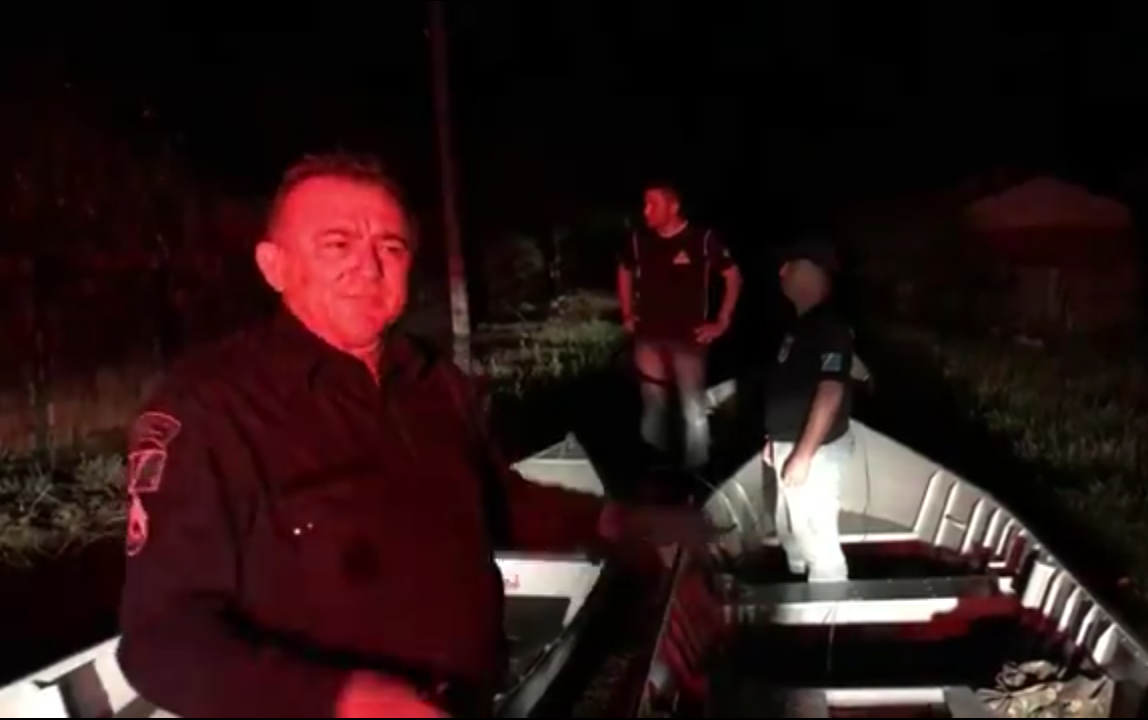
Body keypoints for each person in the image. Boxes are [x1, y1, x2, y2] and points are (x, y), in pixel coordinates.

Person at [116, 153, 711, 718]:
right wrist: (346, 701)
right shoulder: (211, 409)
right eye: (338, 245)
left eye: (390, 247)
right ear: (274, 266)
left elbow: (493, 502)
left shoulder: (433, 380)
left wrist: (614, 522)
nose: (368, 266)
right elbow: (162, 641)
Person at [616, 182, 742, 469]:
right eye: (645, 204)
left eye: (653, 204)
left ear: (673, 206)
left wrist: (721, 321)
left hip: (689, 339)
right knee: (653, 406)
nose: (646, 211)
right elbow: (624, 270)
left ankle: (698, 472)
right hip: (649, 337)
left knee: (692, 407)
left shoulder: (702, 239)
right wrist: (627, 312)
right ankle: (654, 471)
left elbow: (733, 276)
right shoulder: (638, 240)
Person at [762, 238, 857, 583]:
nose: (782, 272)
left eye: (790, 264)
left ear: (811, 271)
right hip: (790, 445)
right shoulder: (801, 325)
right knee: (791, 532)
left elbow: (831, 390)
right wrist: (775, 439)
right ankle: (795, 588)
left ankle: (828, 604)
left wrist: (803, 454)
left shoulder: (830, 327)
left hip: (814, 452)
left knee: (818, 543)